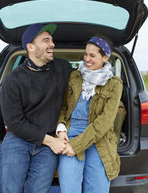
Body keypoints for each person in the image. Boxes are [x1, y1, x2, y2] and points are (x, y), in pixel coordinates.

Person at [0, 23, 72, 193]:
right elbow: (14, 123)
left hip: (48, 145)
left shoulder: (63, 68)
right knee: (10, 189)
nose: (52, 44)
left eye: (52, 40)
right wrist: (52, 141)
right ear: (30, 47)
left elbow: (83, 84)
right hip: (19, 139)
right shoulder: (13, 80)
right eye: (46, 40)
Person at [56, 36, 123, 193]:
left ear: (105, 57)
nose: (87, 59)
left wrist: (77, 145)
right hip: (71, 132)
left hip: (99, 136)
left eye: (92, 55)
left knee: (97, 188)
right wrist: (60, 128)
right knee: (69, 188)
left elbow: (104, 123)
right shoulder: (75, 76)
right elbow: (63, 107)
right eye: (86, 54)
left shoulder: (114, 84)